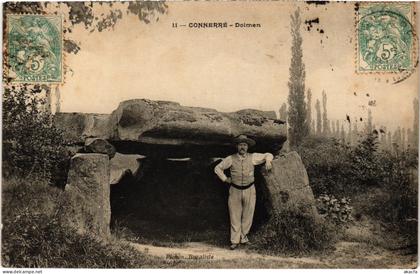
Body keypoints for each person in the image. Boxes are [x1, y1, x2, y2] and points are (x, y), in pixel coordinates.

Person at [214, 134, 273, 250]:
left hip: (250, 189)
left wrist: (268, 161)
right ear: (237, 146)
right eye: (240, 144)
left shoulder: (253, 157)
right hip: (234, 190)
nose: (243, 147)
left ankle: (244, 237)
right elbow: (217, 168)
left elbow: (268, 154)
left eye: (245, 145)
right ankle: (234, 241)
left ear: (248, 147)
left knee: (248, 215)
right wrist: (225, 179)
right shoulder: (230, 158)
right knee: (234, 215)